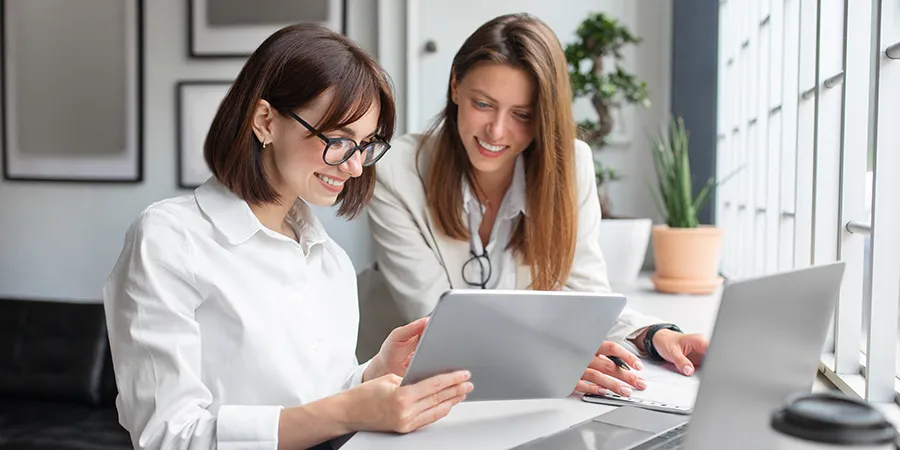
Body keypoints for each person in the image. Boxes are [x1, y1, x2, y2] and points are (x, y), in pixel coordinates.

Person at [102, 24, 473, 450]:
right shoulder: (170, 239)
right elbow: (168, 435)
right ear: (265, 121)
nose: (354, 167)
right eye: (339, 139)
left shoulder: (329, 260)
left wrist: (372, 374)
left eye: (365, 145)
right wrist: (350, 410)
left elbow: (316, 402)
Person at [357, 13, 708, 399]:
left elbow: (584, 298)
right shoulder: (395, 171)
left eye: (522, 115)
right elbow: (433, 320)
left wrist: (653, 335)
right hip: (400, 389)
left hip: (515, 390)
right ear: (455, 85)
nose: (496, 131)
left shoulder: (571, 165)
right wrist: (553, 359)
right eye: (483, 103)